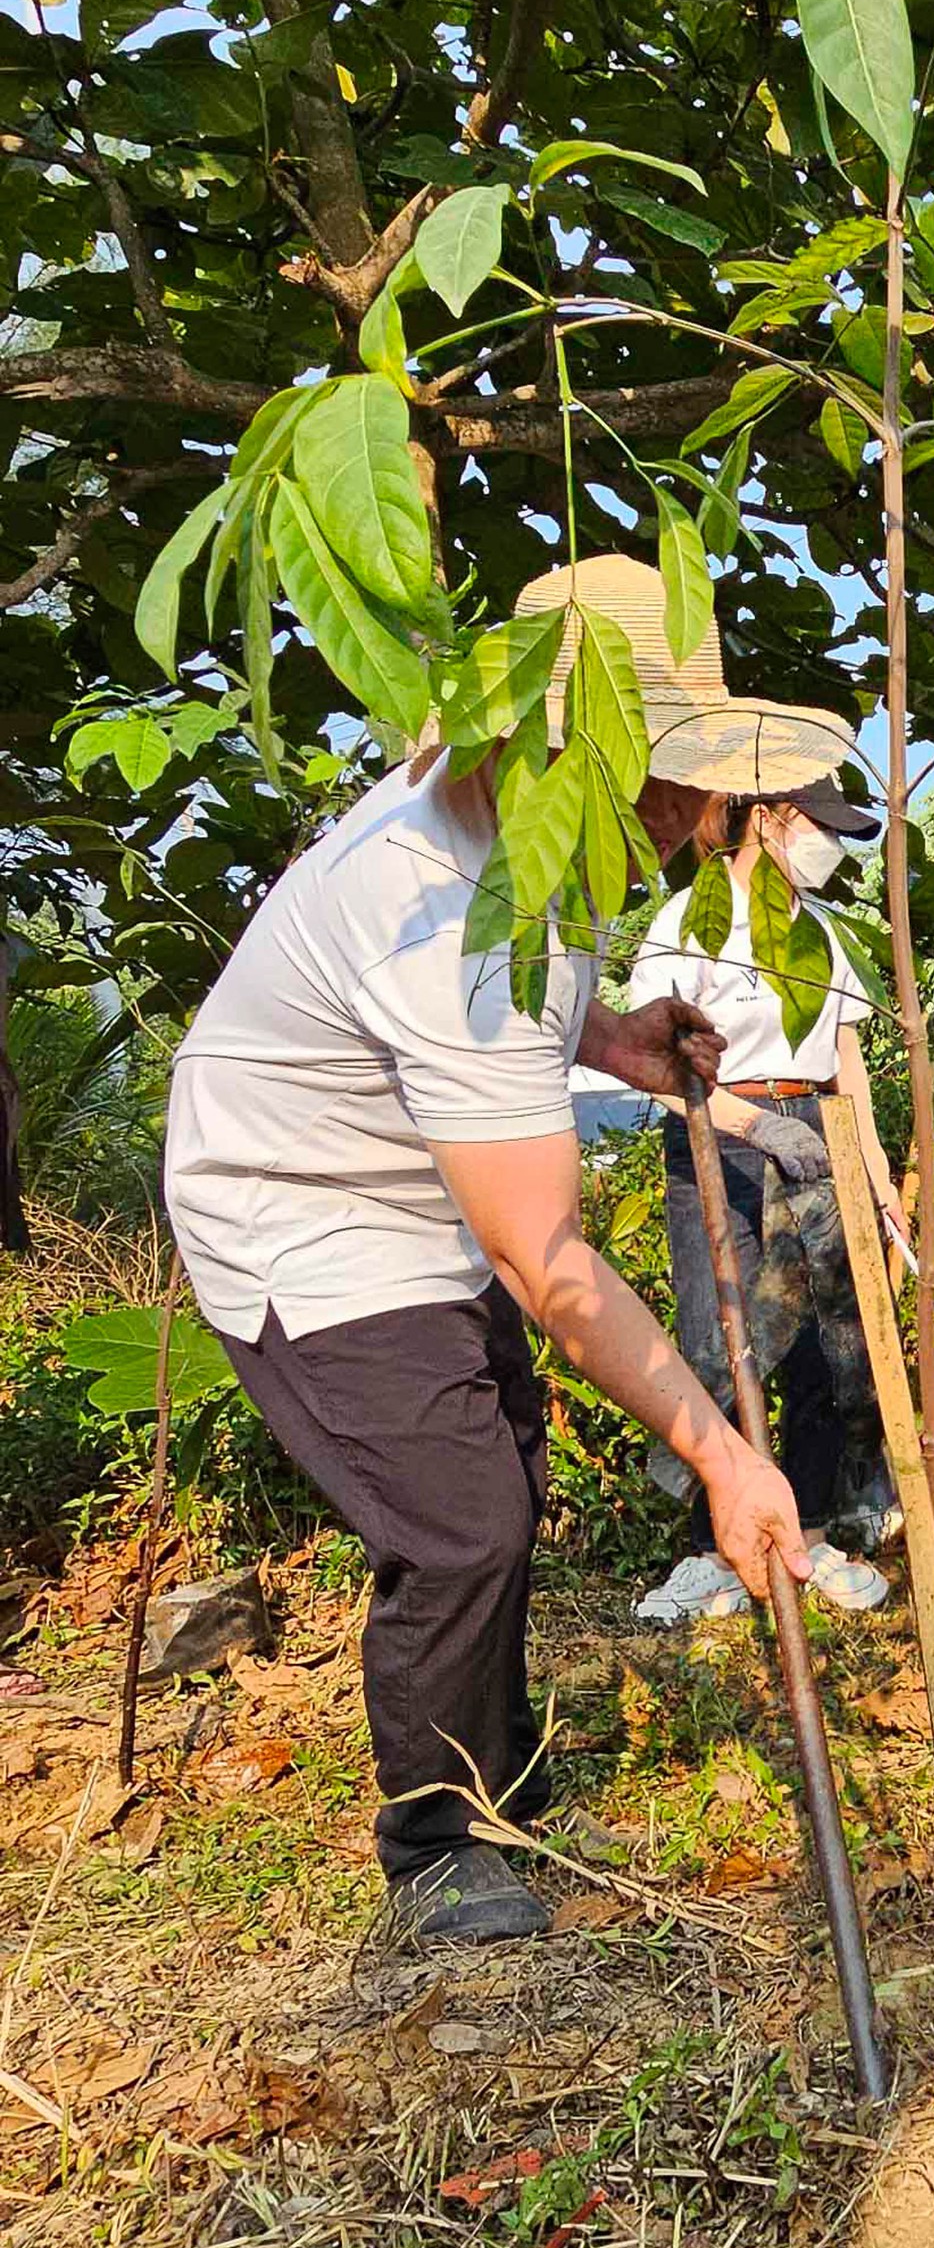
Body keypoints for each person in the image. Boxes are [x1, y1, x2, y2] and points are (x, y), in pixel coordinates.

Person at [163, 555, 844, 1948]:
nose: (685, 809)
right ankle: (436, 1841)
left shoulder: (533, 845)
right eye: (658, 772)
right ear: (549, 740)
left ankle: (500, 1772)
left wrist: (617, 1041)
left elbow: (528, 1011)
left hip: (407, 1182)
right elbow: (547, 1258)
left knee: (508, 1466)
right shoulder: (432, 895)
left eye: (688, 773)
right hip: (297, 1210)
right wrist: (723, 1453)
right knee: (461, 1518)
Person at [626, 779, 907, 1621]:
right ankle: (717, 1549)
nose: (832, 847)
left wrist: (877, 1172)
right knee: (722, 1338)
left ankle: (811, 1531)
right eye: (821, 827)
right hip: (718, 1133)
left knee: (827, 1339)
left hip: (813, 1132)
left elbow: (845, 1053)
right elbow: (660, 1066)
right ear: (768, 817)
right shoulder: (687, 923)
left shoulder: (819, 934)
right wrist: (752, 1126)